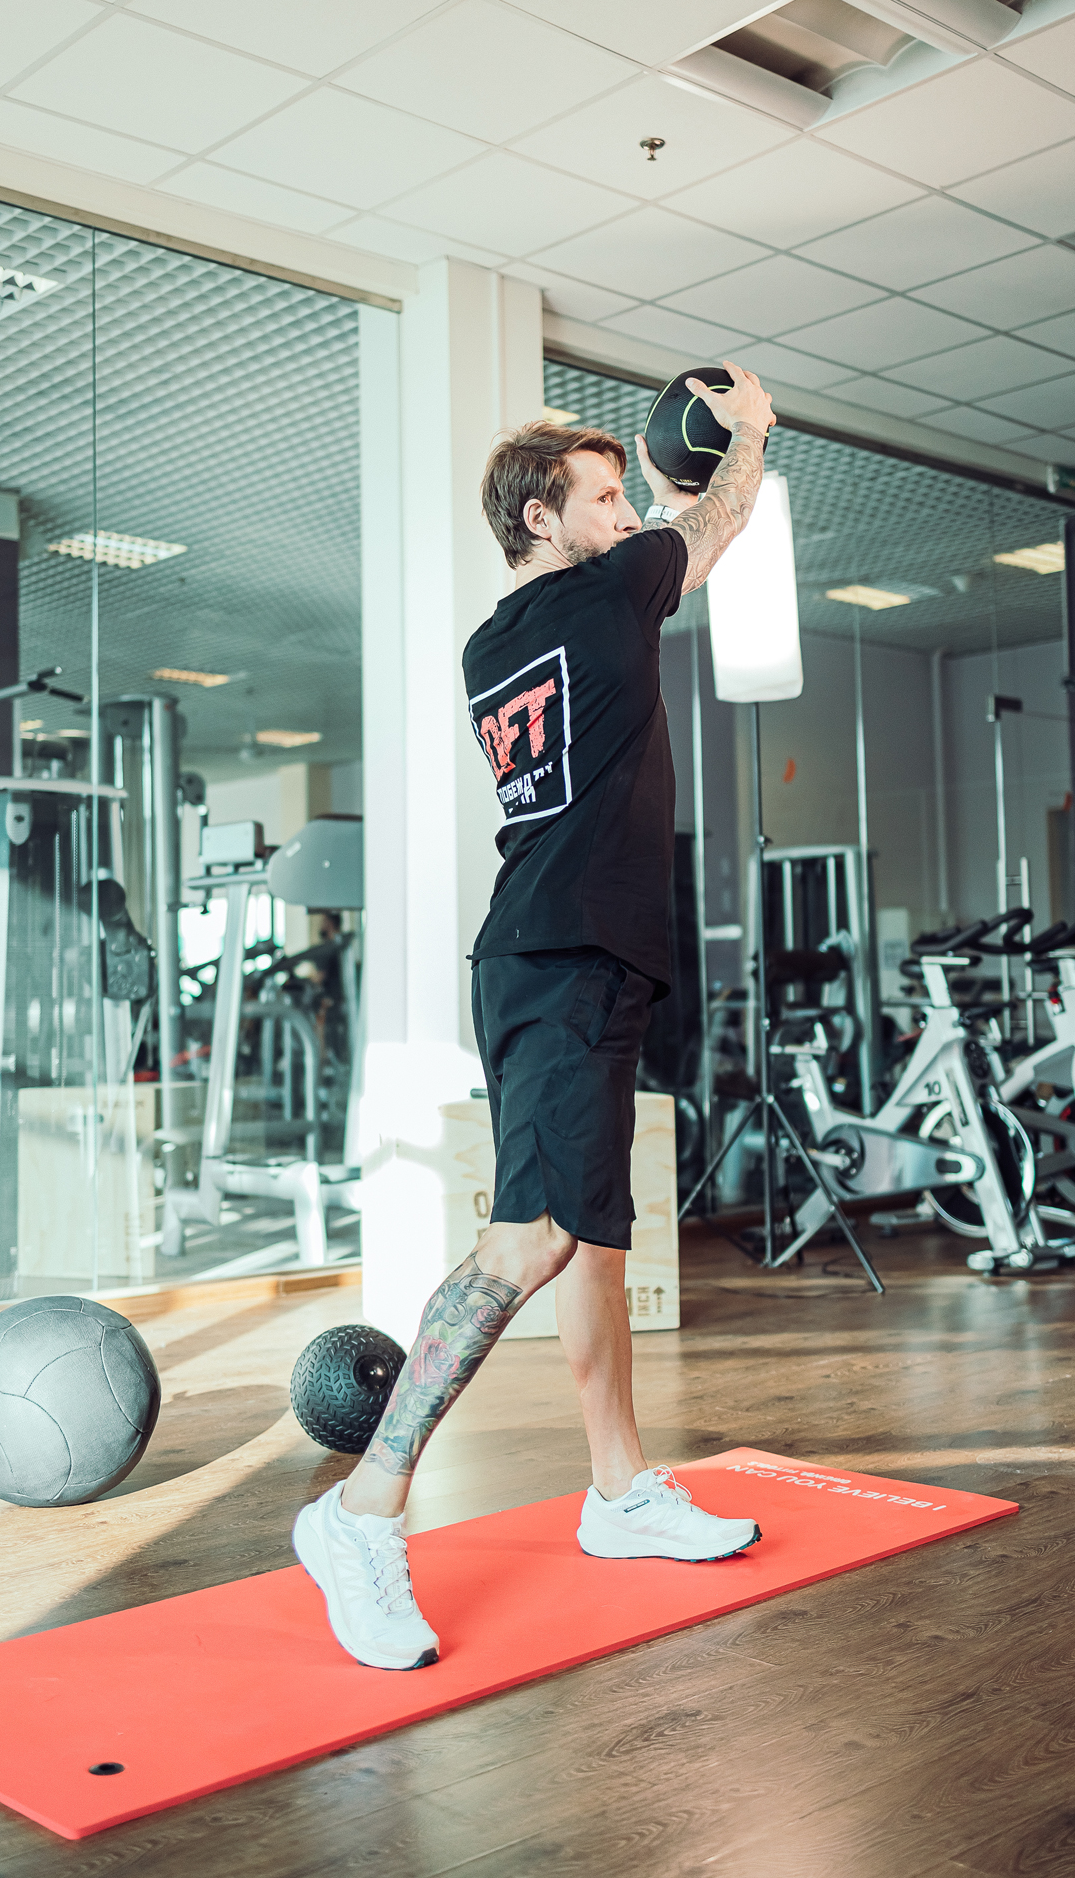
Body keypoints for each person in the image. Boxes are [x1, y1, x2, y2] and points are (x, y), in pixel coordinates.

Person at [295, 361, 777, 1670]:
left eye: (624, 498)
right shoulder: (610, 590)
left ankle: (619, 1493)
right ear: (538, 517)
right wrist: (743, 435)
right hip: (566, 961)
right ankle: (361, 1509)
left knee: (594, 1241)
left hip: (548, 956)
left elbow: (658, 553)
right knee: (533, 1240)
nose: (622, 517)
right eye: (599, 498)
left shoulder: (495, 642)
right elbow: (721, 521)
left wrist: (649, 495)